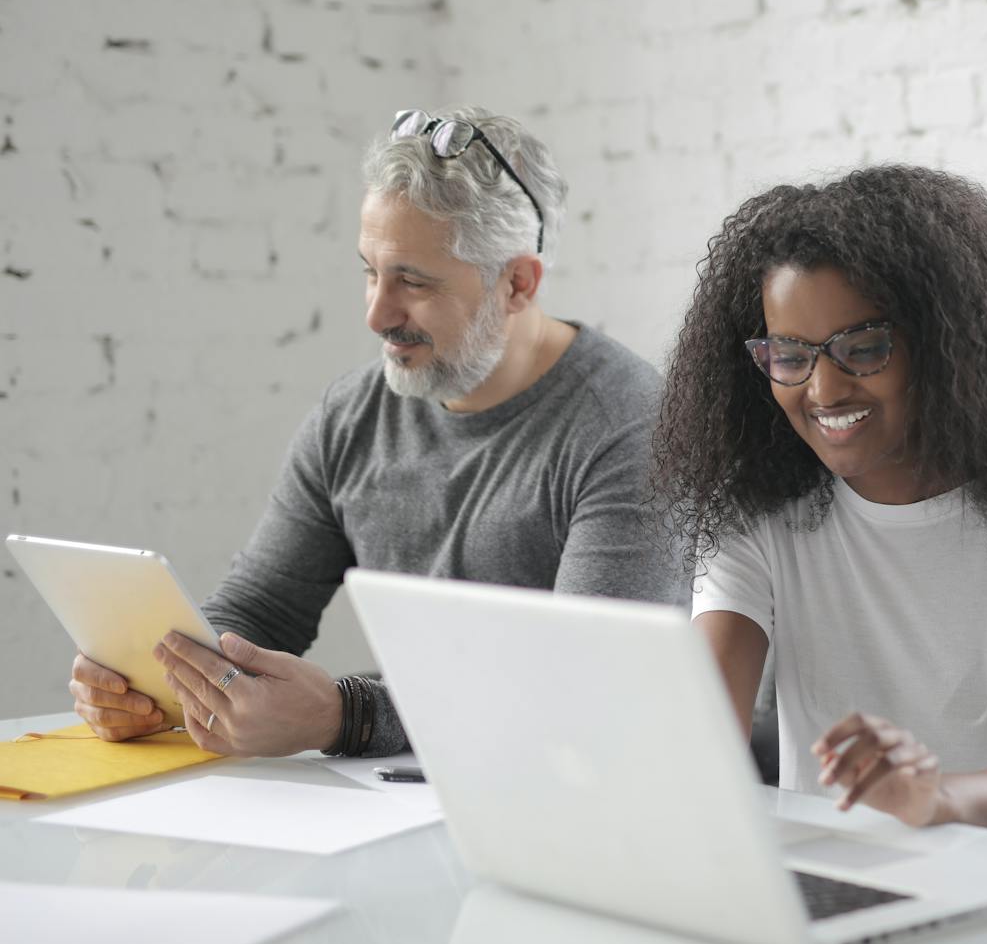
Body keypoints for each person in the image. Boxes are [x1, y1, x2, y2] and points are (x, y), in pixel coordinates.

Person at [66, 106, 687, 759]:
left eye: (412, 282)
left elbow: (587, 691)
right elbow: (259, 611)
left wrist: (349, 715)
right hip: (407, 805)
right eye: (370, 270)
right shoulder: (352, 417)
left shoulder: (630, 425)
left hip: (588, 805)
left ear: (517, 283)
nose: (376, 314)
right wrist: (159, 686)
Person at [654, 165, 987, 842]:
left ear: (947, 345)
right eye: (790, 355)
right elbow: (702, 736)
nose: (824, 389)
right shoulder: (756, 509)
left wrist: (934, 796)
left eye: (863, 348)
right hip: (841, 880)